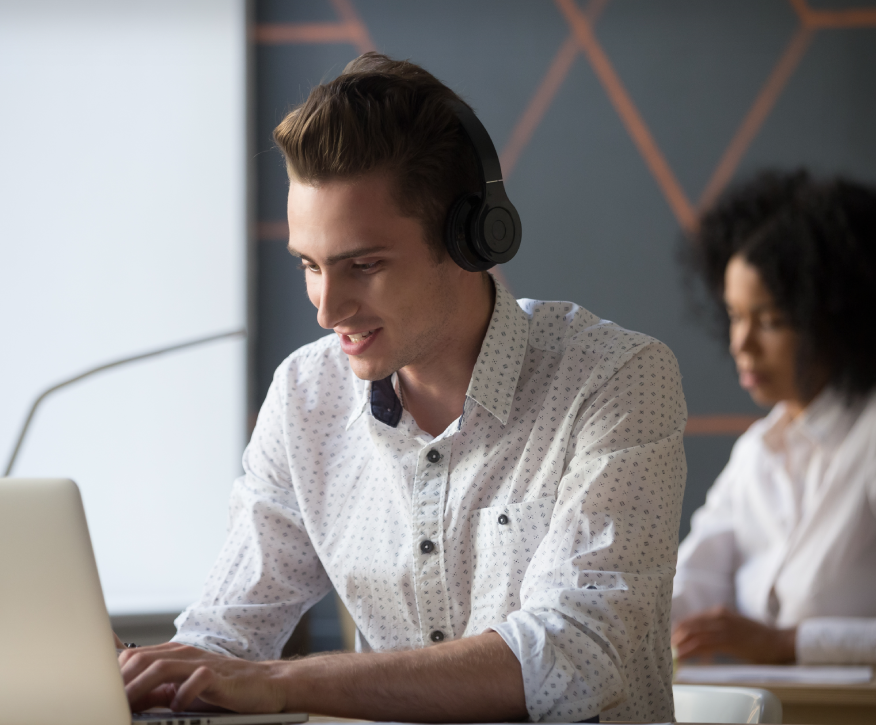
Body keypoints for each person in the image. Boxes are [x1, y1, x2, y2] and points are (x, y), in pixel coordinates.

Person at [119, 53, 688, 723]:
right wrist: (147, 675)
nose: (327, 310)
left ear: (472, 238)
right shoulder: (306, 395)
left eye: (364, 265)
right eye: (309, 265)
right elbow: (225, 635)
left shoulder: (617, 378)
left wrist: (281, 681)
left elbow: (575, 654)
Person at [672, 170, 876, 665]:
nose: (740, 343)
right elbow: (688, 586)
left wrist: (790, 644)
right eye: (736, 316)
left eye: (769, 321)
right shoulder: (757, 451)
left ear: (832, 317)